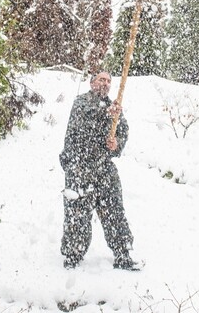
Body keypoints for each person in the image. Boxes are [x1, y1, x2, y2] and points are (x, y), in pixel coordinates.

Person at [59, 71, 139, 271]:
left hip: (103, 167)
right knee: (77, 215)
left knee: (114, 211)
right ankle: (73, 254)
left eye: (109, 81)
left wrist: (116, 144)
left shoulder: (114, 108)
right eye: (101, 79)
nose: (105, 83)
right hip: (79, 167)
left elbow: (123, 130)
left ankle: (123, 253)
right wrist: (106, 114)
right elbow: (84, 124)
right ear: (92, 82)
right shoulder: (82, 103)